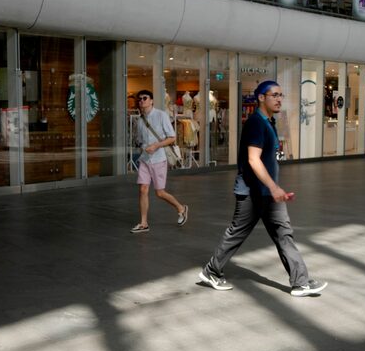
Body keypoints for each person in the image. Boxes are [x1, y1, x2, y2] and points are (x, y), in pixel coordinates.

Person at [198, 80, 327, 297]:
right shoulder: (256, 123)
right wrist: (274, 187)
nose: (279, 99)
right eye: (274, 95)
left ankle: (300, 282)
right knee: (237, 233)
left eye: (281, 95)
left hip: (268, 194)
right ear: (261, 98)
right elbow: (253, 160)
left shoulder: (269, 122)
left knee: (284, 234)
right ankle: (211, 271)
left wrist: (274, 190)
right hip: (252, 193)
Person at [130, 89, 189, 233]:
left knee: (159, 192)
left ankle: (181, 208)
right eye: (140, 99)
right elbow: (139, 139)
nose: (141, 101)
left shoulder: (161, 115)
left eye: (144, 98)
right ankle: (144, 223)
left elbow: (172, 137)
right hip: (145, 159)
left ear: (151, 101)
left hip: (158, 159)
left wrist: (156, 145)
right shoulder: (139, 120)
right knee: (143, 189)